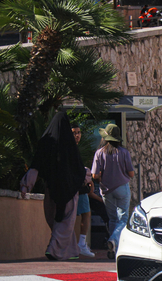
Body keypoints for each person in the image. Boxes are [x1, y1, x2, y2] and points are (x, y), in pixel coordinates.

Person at [20, 112, 91, 261]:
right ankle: (53, 249)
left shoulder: (46, 142)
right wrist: (84, 180)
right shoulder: (69, 145)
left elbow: (36, 166)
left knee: (61, 222)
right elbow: (78, 169)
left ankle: (71, 251)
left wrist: (26, 186)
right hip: (69, 191)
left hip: (51, 189)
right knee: (65, 222)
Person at [91, 124, 134, 259]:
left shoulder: (99, 153)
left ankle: (114, 246)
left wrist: (103, 174)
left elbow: (94, 176)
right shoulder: (124, 152)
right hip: (122, 187)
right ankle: (114, 239)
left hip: (106, 189)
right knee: (124, 218)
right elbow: (131, 174)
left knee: (112, 219)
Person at [71, 123, 95, 257]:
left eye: (78, 132)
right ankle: (79, 244)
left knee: (84, 213)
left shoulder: (75, 148)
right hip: (76, 187)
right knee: (83, 213)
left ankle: (80, 243)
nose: (77, 135)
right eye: (74, 132)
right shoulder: (70, 149)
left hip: (78, 186)